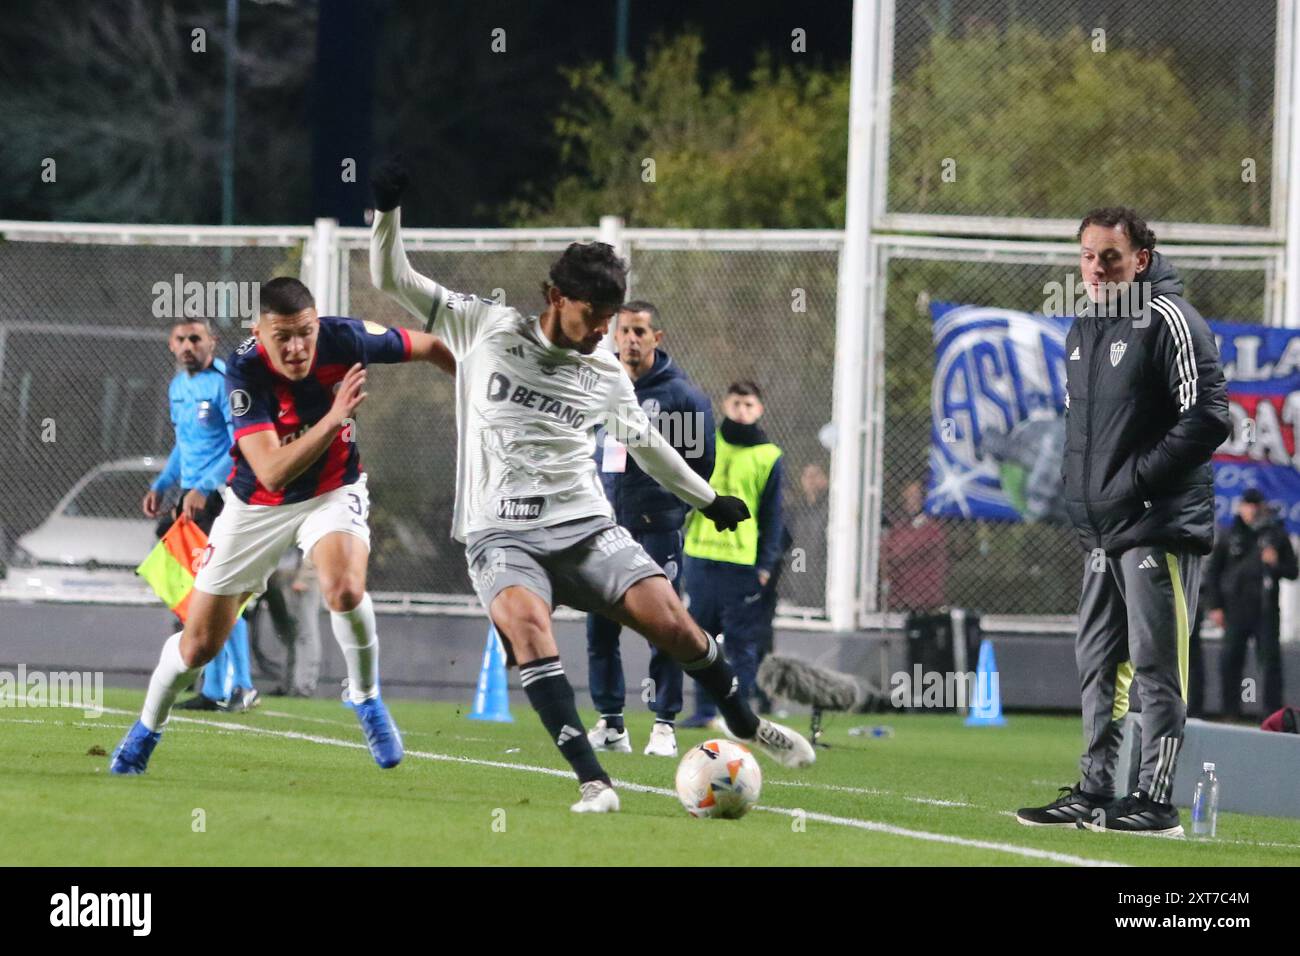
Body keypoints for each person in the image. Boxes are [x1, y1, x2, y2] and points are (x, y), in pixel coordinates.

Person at [368, 160, 814, 813]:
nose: (602, 330)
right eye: (592, 314)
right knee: (528, 630)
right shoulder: (485, 326)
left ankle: (744, 724)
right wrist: (386, 212)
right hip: (502, 533)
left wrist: (708, 500)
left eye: (610, 317)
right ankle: (594, 781)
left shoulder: (604, 368)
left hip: (586, 528)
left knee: (678, 629)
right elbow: (391, 278)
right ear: (555, 297)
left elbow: (647, 444)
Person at [110, 277, 457, 774]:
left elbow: (430, 345)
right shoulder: (244, 374)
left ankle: (365, 697)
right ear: (259, 331)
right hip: (256, 505)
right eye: (283, 336)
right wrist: (336, 417)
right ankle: (146, 728)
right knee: (198, 645)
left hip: (331, 492)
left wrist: (475, 398)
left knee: (344, 590)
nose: (297, 347)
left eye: (305, 333)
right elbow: (272, 469)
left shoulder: (346, 337)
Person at [1016, 207, 1230, 836]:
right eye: (1087, 255)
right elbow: (1083, 433)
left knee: (1156, 663)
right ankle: (1094, 790)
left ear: (1141, 258)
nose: (1097, 267)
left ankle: (1156, 800)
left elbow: (1210, 417)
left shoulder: (1170, 319)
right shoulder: (1083, 327)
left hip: (1156, 525)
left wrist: (1133, 485)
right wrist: (1082, 498)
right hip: (1101, 532)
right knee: (1099, 664)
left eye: (1110, 255)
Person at [585, 301, 715, 759]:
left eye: (641, 331)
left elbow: (702, 468)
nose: (631, 339)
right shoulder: (598, 386)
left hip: (656, 530)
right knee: (600, 626)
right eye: (624, 331)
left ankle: (664, 724)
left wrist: (671, 511)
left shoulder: (684, 398)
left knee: (664, 625)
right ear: (613, 335)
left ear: (657, 338)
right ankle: (611, 722)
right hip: (603, 530)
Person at [142, 317, 257, 712]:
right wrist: (162, 484)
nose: (188, 345)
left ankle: (241, 684)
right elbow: (183, 445)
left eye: (196, 338)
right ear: (171, 346)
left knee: (220, 592)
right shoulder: (179, 386)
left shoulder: (227, 382)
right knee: (199, 594)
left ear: (212, 342)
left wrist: (205, 487)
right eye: (181, 339)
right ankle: (214, 687)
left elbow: (239, 444)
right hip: (191, 502)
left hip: (221, 498)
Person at [679, 381, 786, 728]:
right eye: (736, 403)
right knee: (699, 642)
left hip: (741, 564)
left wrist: (766, 566)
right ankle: (704, 712)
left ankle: (736, 713)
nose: (742, 410)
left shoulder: (769, 456)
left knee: (741, 645)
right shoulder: (709, 442)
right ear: (725, 404)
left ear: (760, 410)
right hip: (700, 559)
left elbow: (772, 515)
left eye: (749, 404)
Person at [1204, 489, 1296, 720]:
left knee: (1270, 664)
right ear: (1240, 507)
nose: (1252, 510)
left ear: (1262, 507)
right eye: (1248, 505)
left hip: (1265, 610)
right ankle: (1230, 711)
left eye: (1256, 505)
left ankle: (1272, 715)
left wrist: (1275, 563)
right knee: (1231, 661)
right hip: (1235, 609)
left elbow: (1292, 571)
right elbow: (1213, 573)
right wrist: (1215, 606)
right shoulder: (1228, 534)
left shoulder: (1275, 535)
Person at [881, 480, 948, 614]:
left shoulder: (933, 528)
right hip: (898, 601)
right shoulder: (902, 525)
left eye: (914, 497)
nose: (909, 501)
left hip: (924, 604)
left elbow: (899, 552)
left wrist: (886, 545)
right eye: (907, 496)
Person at [785, 462, 829, 608]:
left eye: (815, 475)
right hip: (802, 574)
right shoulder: (799, 509)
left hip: (824, 576)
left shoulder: (832, 507)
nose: (810, 479)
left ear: (826, 479)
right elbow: (797, 547)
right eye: (806, 475)